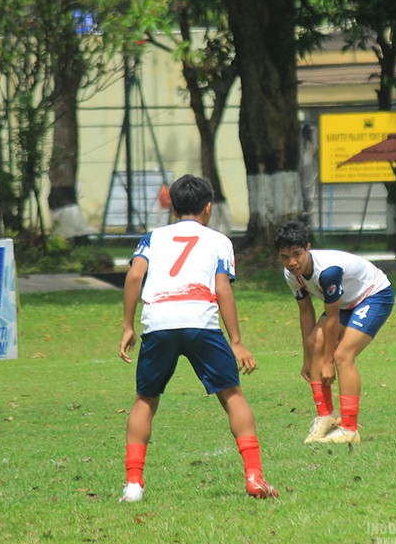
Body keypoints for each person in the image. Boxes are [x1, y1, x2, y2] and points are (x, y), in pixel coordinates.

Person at [117, 174, 278, 502]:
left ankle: (134, 484)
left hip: (159, 322)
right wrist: (236, 341)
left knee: (145, 400)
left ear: (173, 208)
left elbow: (135, 275)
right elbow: (222, 289)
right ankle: (254, 477)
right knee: (232, 395)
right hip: (200, 322)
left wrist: (128, 326)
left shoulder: (152, 238)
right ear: (208, 207)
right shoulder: (219, 241)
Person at [275, 220, 394, 445]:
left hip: (374, 295)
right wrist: (308, 359)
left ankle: (350, 429)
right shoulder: (291, 274)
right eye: (285, 257)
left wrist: (327, 361)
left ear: (308, 248)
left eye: (297, 255)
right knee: (313, 344)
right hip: (346, 303)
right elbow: (305, 312)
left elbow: (332, 317)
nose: (292, 262)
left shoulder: (327, 271)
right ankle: (327, 416)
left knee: (342, 356)